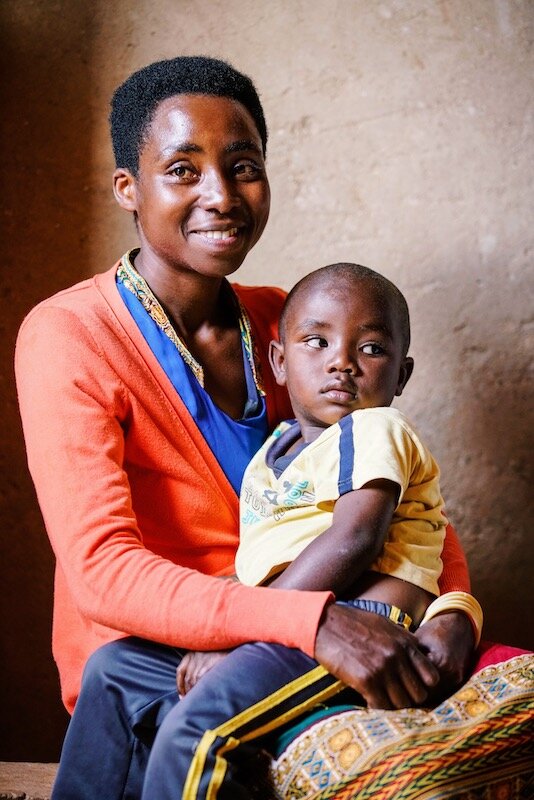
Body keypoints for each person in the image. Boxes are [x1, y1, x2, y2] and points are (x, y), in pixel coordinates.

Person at [14, 55, 479, 800]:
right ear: (128, 190)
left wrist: (456, 605)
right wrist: (307, 622)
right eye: (183, 169)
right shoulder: (70, 334)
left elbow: (397, 498)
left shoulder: (294, 327)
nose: (221, 195)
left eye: (243, 165)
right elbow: (101, 570)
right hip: (162, 664)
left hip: (320, 630)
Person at [167, 263, 482, 797]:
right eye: (317, 341)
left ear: (401, 376)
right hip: (295, 617)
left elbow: (355, 539)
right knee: (113, 668)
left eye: (372, 349)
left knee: (194, 734)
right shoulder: (275, 450)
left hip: (361, 620)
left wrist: (246, 627)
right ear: (280, 362)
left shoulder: (375, 427)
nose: (341, 363)